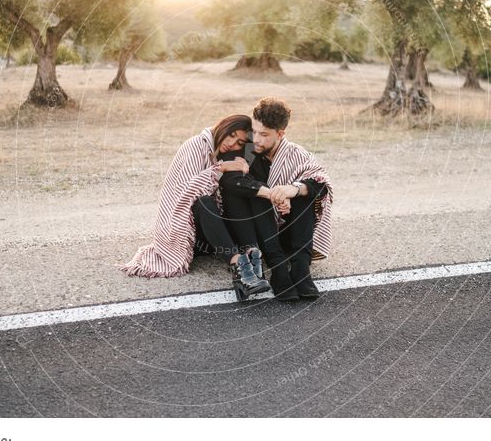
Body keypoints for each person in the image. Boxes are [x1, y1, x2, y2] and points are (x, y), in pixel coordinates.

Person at [118, 115, 271, 298]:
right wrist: (221, 168)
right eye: (230, 135)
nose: (231, 143)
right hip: (186, 233)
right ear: (223, 126)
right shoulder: (195, 146)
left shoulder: (222, 153)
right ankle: (238, 267)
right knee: (204, 201)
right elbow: (186, 192)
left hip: (213, 235)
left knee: (234, 190)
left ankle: (252, 258)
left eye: (239, 142)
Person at [219, 97, 333, 301]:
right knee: (252, 189)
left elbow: (322, 183)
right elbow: (229, 180)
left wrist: (292, 190)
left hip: (288, 231)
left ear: (280, 134)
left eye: (264, 134)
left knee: (304, 192)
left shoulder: (295, 154)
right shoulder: (249, 150)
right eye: (254, 132)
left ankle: (301, 270)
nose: (257, 139)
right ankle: (279, 269)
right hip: (256, 234)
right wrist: (271, 193)